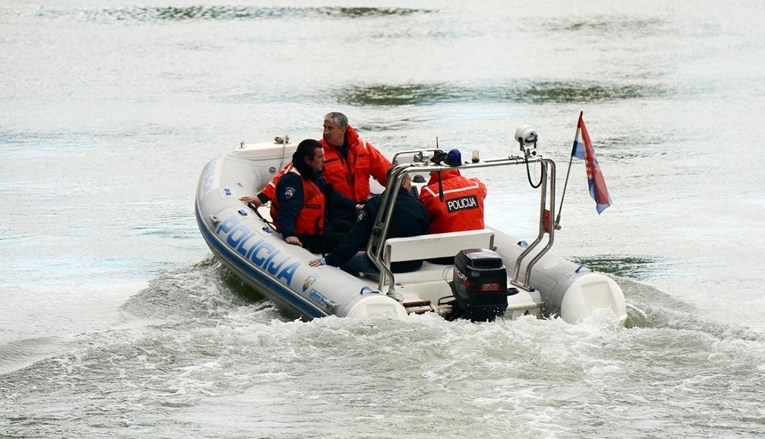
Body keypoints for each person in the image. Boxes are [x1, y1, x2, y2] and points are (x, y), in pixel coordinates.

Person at [240, 112, 391, 213]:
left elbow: (385, 171)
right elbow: (289, 173)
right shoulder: (317, 152)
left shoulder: (363, 149)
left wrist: (404, 187)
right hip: (334, 209)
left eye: (330, 128)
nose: (326, 132)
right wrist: (262, 198)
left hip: (361, 205)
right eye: (324, 127)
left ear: (343, 130)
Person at [308, 171, 429, 275]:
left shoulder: (375, 206)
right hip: (414, 263)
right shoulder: (420, 207)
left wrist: (330, 260)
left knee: (347, 261)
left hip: (382, 264)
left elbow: (356, 238)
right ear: (404, 183)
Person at [271, 139, 357, 253]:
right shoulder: (293, 181)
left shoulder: (314, 175)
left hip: (320, 226)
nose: (324, 160)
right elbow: (288, 211)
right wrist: (290, 234)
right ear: (307, 160)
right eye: (320, 157)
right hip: (305, 235)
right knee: (349, 240)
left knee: (351, 227)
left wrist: (354, 206)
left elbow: (332, 195)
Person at [419, 149, 487, 234]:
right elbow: (482, 189)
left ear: (435, 170)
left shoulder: (430, 193)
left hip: (443, 244)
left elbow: (420, 213)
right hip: (477, 242)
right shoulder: (477, 186)